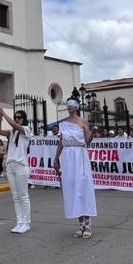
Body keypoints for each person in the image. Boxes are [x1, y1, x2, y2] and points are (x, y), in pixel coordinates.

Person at [53, 99, 97, 238]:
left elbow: (87, 141)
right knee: (72, 188)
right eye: (68, 104)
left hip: (80, 155)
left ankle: (88, 224)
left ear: (77, 107)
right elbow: (61, 142)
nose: (70, 106)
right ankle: (81, 224)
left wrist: (91, 136)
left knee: (83, 188)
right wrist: (56, 159)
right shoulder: (63, 124)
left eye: (73, 104)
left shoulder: (83, 122)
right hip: (68, 156)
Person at [0, 106, 32, 233]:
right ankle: (19, 222)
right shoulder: (12, 132)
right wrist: (0, 118)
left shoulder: (26, 130)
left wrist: (4, 114)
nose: (17, 119)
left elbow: (15, 125)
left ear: (24, 119)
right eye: (15, 117)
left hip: (21, 165)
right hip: (10, 165)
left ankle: (26, 223)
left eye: (19, 117)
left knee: (23, 195)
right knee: (15, 196)